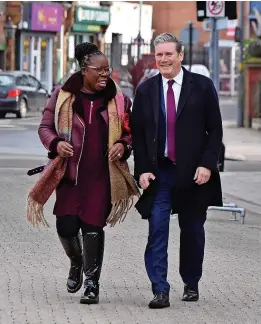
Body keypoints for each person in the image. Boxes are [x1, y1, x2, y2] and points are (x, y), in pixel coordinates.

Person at [26, 42, 139, 305]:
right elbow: (44, 127)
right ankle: (76, 262)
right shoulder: (62, 95)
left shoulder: (119, 100)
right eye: (98, 70)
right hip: (69, 173)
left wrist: (123, 145)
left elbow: (129, 132)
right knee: (66, 226)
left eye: (107, 70)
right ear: (83, 70)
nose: (104, 75)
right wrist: (55, 143)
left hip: (101, 175)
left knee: (92, 227)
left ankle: (91, 283)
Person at [131, 33, 223, 309]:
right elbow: (138, 134)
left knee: (192, 229)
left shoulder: (203, 87)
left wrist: (207, 164)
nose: (163, 59)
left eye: (168, 54)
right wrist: (143, 170)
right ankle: (160, 289)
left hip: (195, 172)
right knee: (157, 228)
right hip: (161, 173)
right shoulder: (146, 91)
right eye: (159, 55)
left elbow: (215, 130)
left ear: (180, 56)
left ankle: (191, 281)